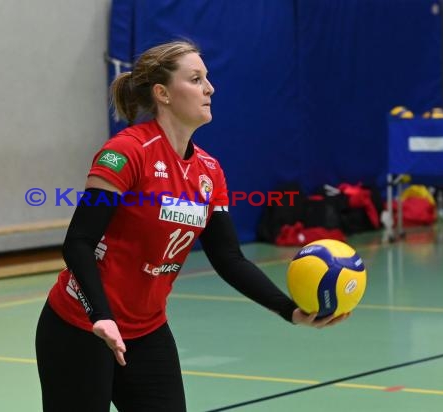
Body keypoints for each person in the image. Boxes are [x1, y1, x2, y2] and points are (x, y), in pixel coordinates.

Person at [35, 40, 349, 412]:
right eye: (196, 79)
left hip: (147, 330)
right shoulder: (126, 153)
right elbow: (79, 243)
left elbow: (229, 257)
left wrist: (290, 310)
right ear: (163, 94)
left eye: (208, 78)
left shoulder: (209, 171)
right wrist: (100, 316)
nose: (210, 88)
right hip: (80, 327)